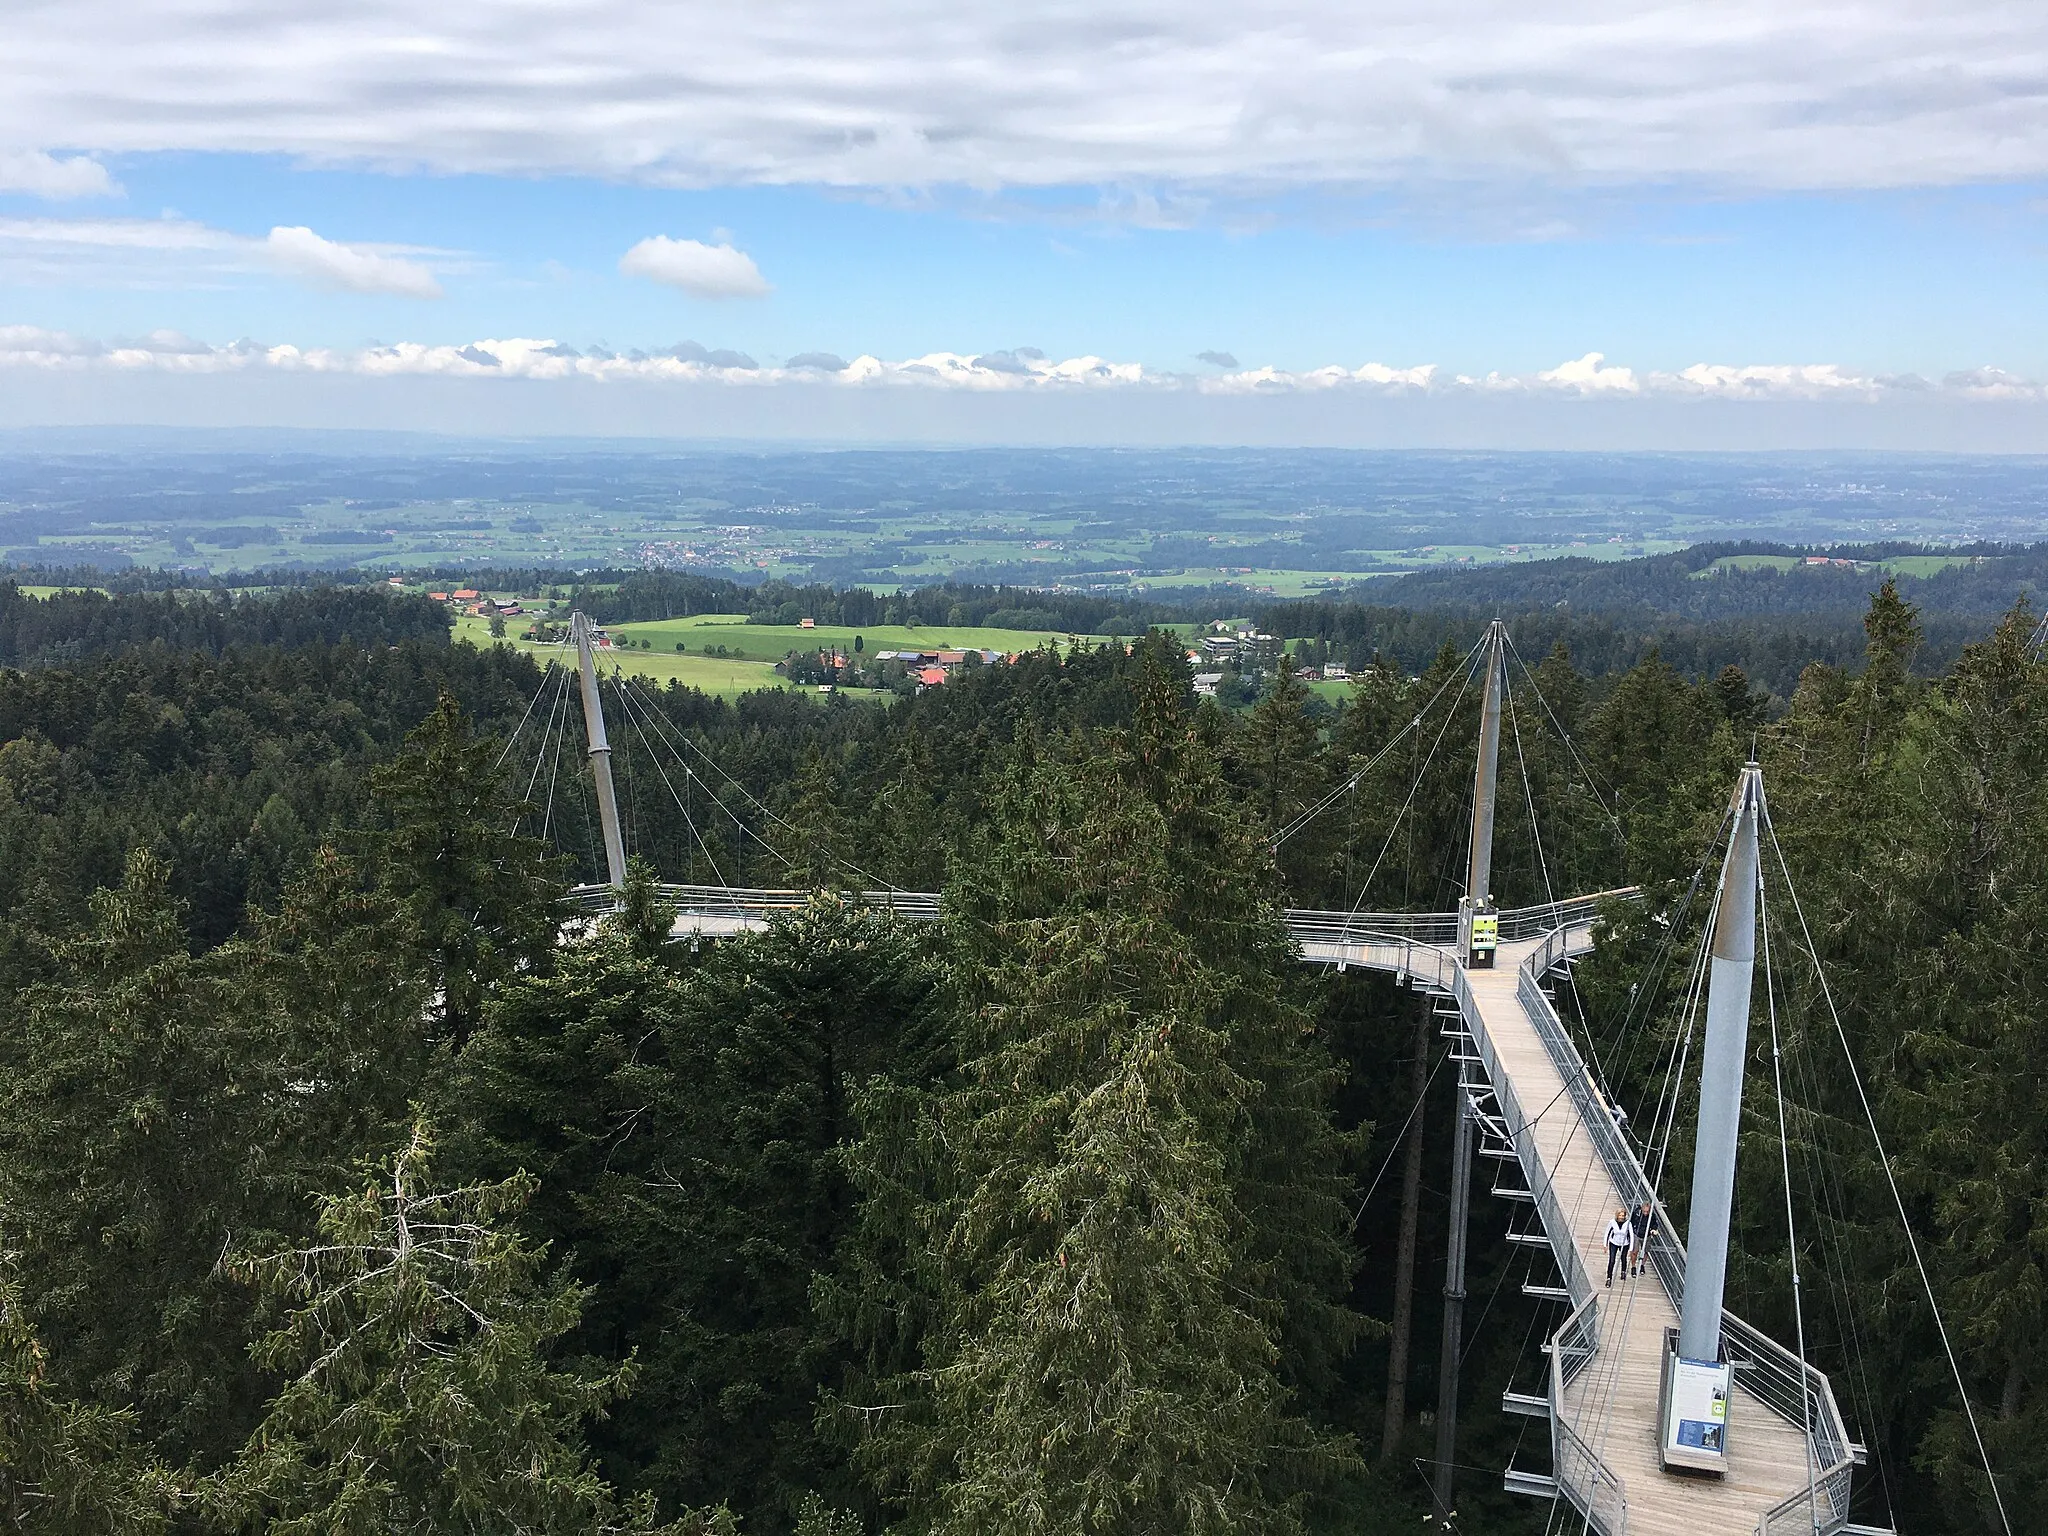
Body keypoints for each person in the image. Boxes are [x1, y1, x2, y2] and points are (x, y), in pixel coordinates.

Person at [1604, 1208, 1633, 1286]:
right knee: (1612, 1260)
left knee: (1623, 1258)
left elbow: (1631, 1235)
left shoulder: (1628, 1223)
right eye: (1620, 1215)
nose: (1621, 1217)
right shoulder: (1612, 1222)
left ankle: (1623, 1271)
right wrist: (1605, 1244)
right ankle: (1609, 1278)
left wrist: (1631, 1248)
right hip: (1614, 1242)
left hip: (1624, 1243)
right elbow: (1607, 1233)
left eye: (1622, 1216)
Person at [1631, 1200, 1655, 1277]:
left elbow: (1655, 1224)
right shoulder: (1636, 1213)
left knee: (1646, 1251)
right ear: (1641, 1208)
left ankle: (1642, 1265)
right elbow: (1631, 1221)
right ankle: (1633, 1266)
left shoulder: (1652, 1215)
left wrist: (1654, 1230)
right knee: (1635, 1251)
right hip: (1637, 1234)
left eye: (1647, 1212)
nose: (1645, 1213)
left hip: (1646, 1235)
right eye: (1644, 1211)